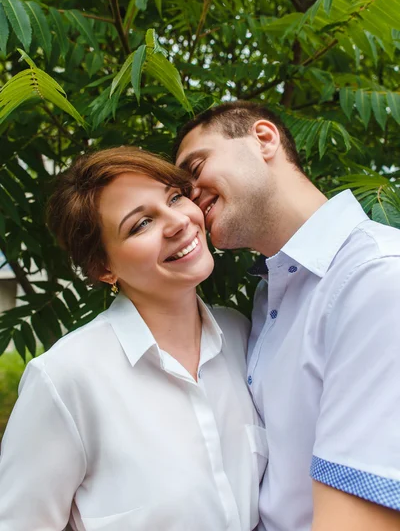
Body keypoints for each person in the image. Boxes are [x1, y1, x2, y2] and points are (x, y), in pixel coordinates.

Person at [0, 147, 267, 531]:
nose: (178, 222)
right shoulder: (66, 378)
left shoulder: (241, 336)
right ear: (103, 268)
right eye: (141, 224)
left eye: (175, 197)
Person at [174, 100, 400, 531]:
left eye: (197, 167)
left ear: (263, 139)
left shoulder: (376, 277)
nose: (190, 196)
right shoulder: (270, 296)